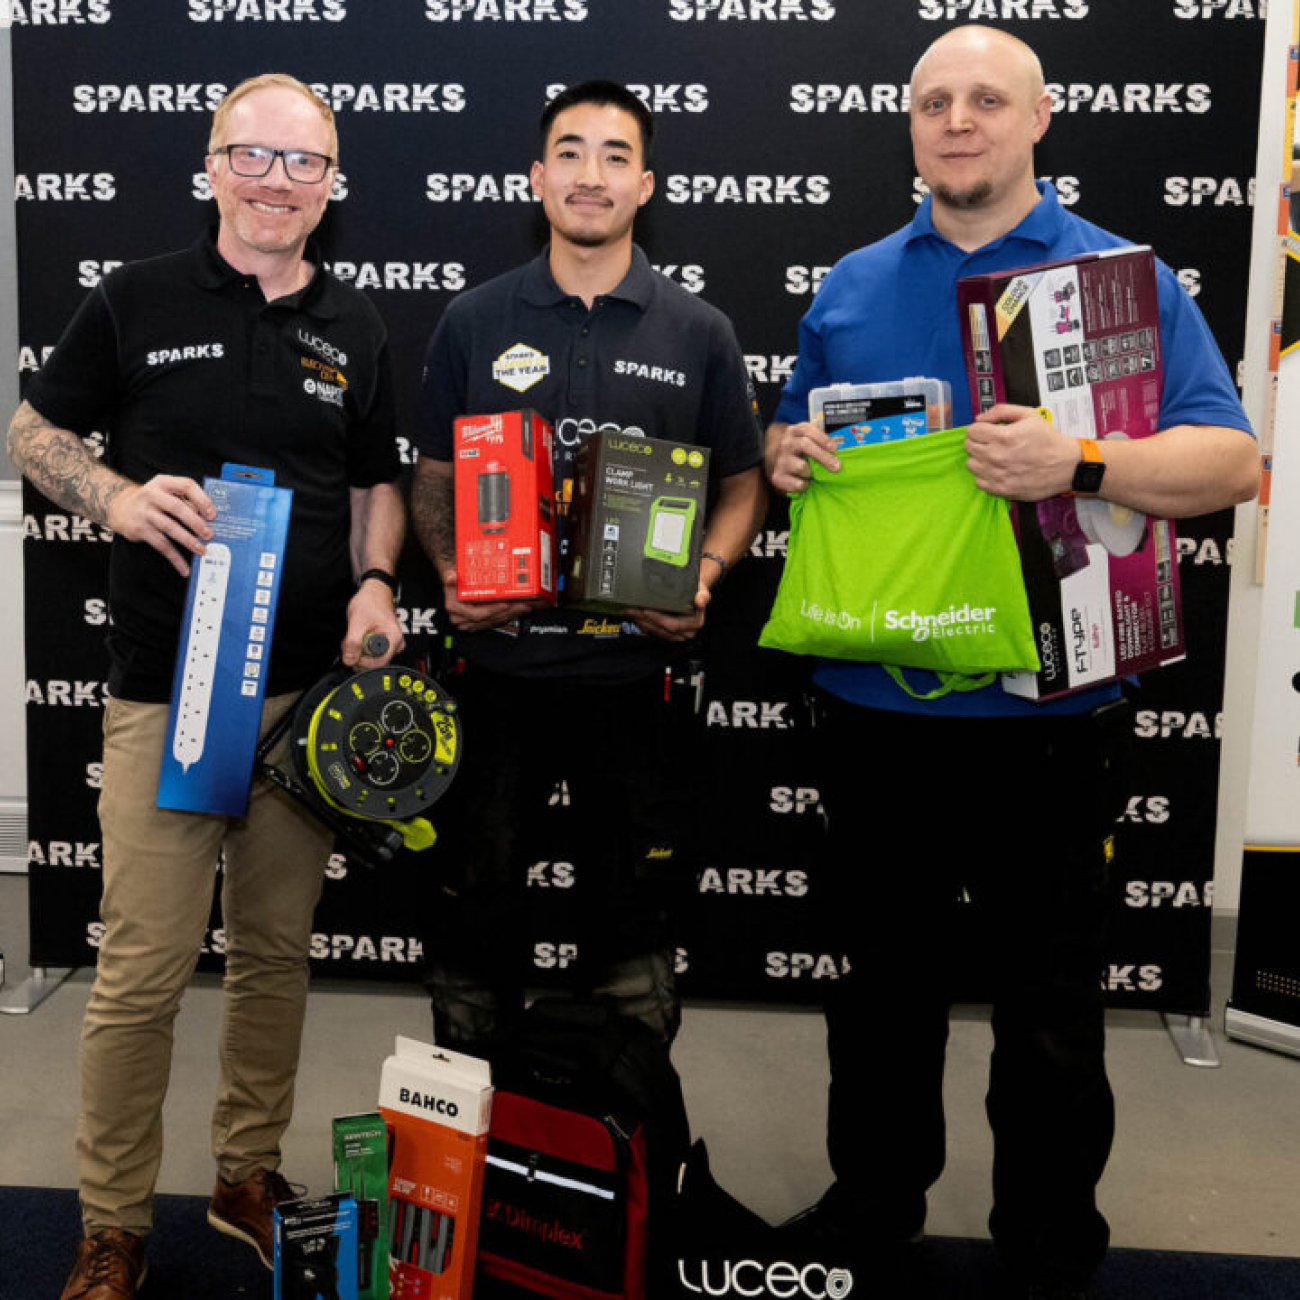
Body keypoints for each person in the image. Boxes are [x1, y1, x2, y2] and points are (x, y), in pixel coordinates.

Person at [764, 26, 1258, 1300]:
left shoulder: (1119, 280)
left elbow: (1229, 465)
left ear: (1042, 115)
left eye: (987, 98)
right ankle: (873, 1215)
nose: (958, 120)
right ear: (910, 125)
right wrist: (789, 458)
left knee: (1048, 1014)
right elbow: (793, 435)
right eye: (934, 101)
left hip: (1056, 707)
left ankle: (1047, 1244)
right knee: (880, 1004)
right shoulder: (854, 283)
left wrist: (1082, 461)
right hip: (877, 703)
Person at [7, 74, 405, 1300]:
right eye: (254, 155)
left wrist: (380, 581)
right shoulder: (132, 298)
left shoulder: (360, 326)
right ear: (212, 162)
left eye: (304, 164)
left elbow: (379, 477)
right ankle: (114, 1220)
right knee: (141, 972)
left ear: (332, 183)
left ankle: (245, 1169)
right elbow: (30, 433)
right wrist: (117, 496)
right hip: (167, 698)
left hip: (301, 706)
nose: (277, 181)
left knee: (276, 956)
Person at [410, 80, 766, 1052]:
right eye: (570, 151)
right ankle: (471, 1178)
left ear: (644, 183)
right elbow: (435, 477)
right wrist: (450, 571)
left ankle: (624, 1169)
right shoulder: (474, 320)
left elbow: (743, 484)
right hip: (496, 676)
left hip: (635, 680)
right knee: (473, 949)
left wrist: (706, 573)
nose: (590, 174)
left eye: (615, 156)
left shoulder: (700, 331)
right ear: (537, 177)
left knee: (634, 951)